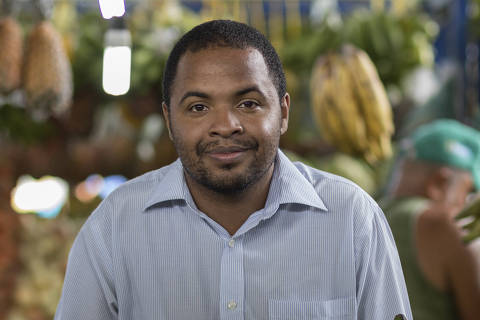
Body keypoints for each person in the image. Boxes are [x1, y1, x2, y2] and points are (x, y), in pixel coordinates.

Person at [54, 20, 412, 319]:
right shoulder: (114, 227)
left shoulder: (352, 219)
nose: (225, 125)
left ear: (283, 113)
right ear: (168, 119)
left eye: (248, 103)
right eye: (197, 107)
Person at [380, 119, 480, 320]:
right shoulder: (444, 223)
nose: (467, 204)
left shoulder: (369, 214)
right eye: (469, 192)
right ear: (439, 183)